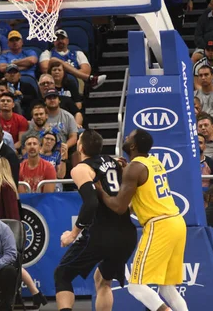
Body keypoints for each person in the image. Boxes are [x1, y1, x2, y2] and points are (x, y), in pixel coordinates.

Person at [96, 128, 188, 311]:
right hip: (177, 222)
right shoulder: (154, 162)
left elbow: (119, 206)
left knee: (136, 286)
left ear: (133, 145)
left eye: (129, 136)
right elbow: (141, 194)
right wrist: (125, 170)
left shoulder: (134, 168)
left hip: (159, 225)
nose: (126, 137)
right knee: (167, 288)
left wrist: (99, 189)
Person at [54, 130, 137, 311]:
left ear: (80, 146)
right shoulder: (115, 162)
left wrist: (72, 234)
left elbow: (90, 203)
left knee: (62, 275)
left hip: (101, 234)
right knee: (103, 280)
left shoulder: (81, 168)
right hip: (127, 234)